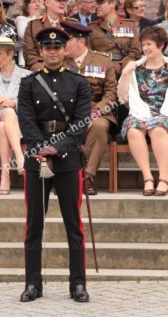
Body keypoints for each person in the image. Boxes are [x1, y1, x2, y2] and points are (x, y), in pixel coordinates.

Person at [18, 27, 91, 302]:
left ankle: (78, 284)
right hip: (36, 160)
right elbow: (26, 121)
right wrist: (41, 150)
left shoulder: (79, 83)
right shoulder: (30, 83)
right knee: (34, 224)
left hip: (68, 157)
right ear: (40, 51)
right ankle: (33, 284)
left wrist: (56, 148)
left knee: (73, 223)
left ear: (65, 50)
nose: (52, 51)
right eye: (48, 48)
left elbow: (81, 122)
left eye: (57, 47)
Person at [62, 20, 117, 195]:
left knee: (99, 126)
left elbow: (111, 92)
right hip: (67, 111)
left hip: (96, 108)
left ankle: (87, 177)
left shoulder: (102, 61)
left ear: (81, 41)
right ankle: (67, 176)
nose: (63, 44)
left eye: (67, 39)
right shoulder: (59, 62)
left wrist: (98, 110)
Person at [117, 26, 168, 196]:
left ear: (161, 45)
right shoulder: (135, 68)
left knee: (157, 127)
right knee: (133, 129)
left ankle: (164, 178)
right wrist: (125, 74)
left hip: (164, 113)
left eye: (149, 44)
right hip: (139, 112)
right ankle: (148, 178)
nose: (145, 48)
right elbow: (123, 99)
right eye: (143, 44)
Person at [0, 37, 30, 195]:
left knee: (4, 126)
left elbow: (31, 105)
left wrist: (15, 104)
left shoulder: (27, 75)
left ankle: (5, 175)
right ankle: (20, 158)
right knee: (4, 115)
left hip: (18, 121)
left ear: (11, 54)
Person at [88, 0, 142, 78]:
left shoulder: (130, 25)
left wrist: (121, 65)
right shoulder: (91, 28)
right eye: (96, 3)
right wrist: (103, 68)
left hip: (124, 75)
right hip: (100, 76)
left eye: (100, 2)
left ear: (112, 4)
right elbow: (88, 54)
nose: (96, 6)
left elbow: (135, 52)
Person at [23, 0, 69, 71]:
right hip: (41, 70)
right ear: (47, 3)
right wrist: (46, 66)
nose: (63, 3)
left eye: (64, 0)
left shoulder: (72, 24)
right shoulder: (33, 25)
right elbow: (29, 53)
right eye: (59, 0)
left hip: (67, 70)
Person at [15, 0, 43, 67]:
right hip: (26, 60)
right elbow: (24, 35)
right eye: (33, 2)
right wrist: (36, 17)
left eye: (38, 2)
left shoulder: (43, 20)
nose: (37, 4)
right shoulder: (21, 19)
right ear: (26, 6)